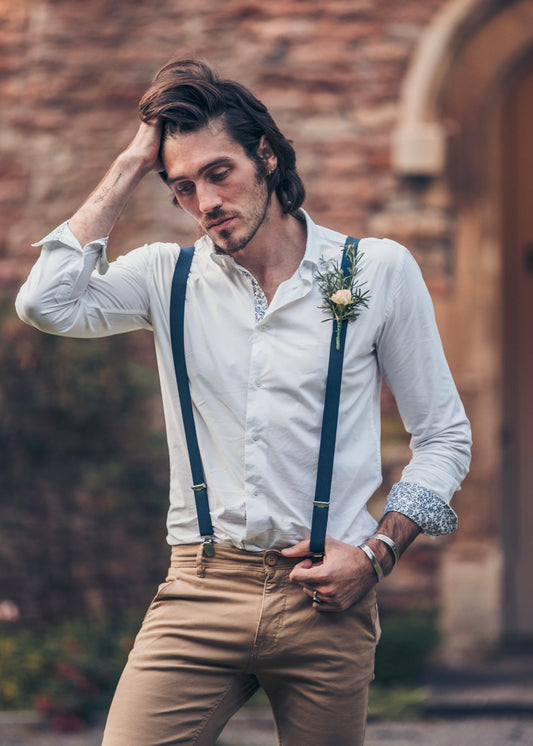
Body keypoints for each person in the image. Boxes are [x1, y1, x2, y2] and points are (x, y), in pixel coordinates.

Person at [16, 57, 471, 746]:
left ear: (265, 154)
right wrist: (134, 159)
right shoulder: (165, 276)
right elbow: (45, 304)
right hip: (200, 589)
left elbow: (442, 436)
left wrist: (377, 553)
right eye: (182, 188)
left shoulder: (375, 271)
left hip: (327, 599)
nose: (204, 204)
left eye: (217, 173)